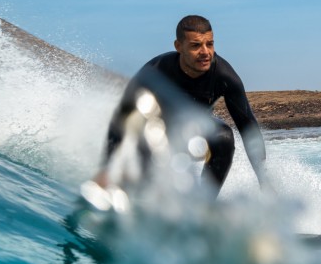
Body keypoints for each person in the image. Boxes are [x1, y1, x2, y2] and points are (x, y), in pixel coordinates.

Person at [96, 15, 268, 198]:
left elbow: (248, 128)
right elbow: (122, 119)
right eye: (196, 45)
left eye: (210, 44)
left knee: (224, 136)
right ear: (178, 47)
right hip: (155, 133)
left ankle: (204, 203)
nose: (205, 52)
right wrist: (106, 170)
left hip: (192, 132)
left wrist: (265, 182)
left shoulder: (225, 78)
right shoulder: (155, 71)